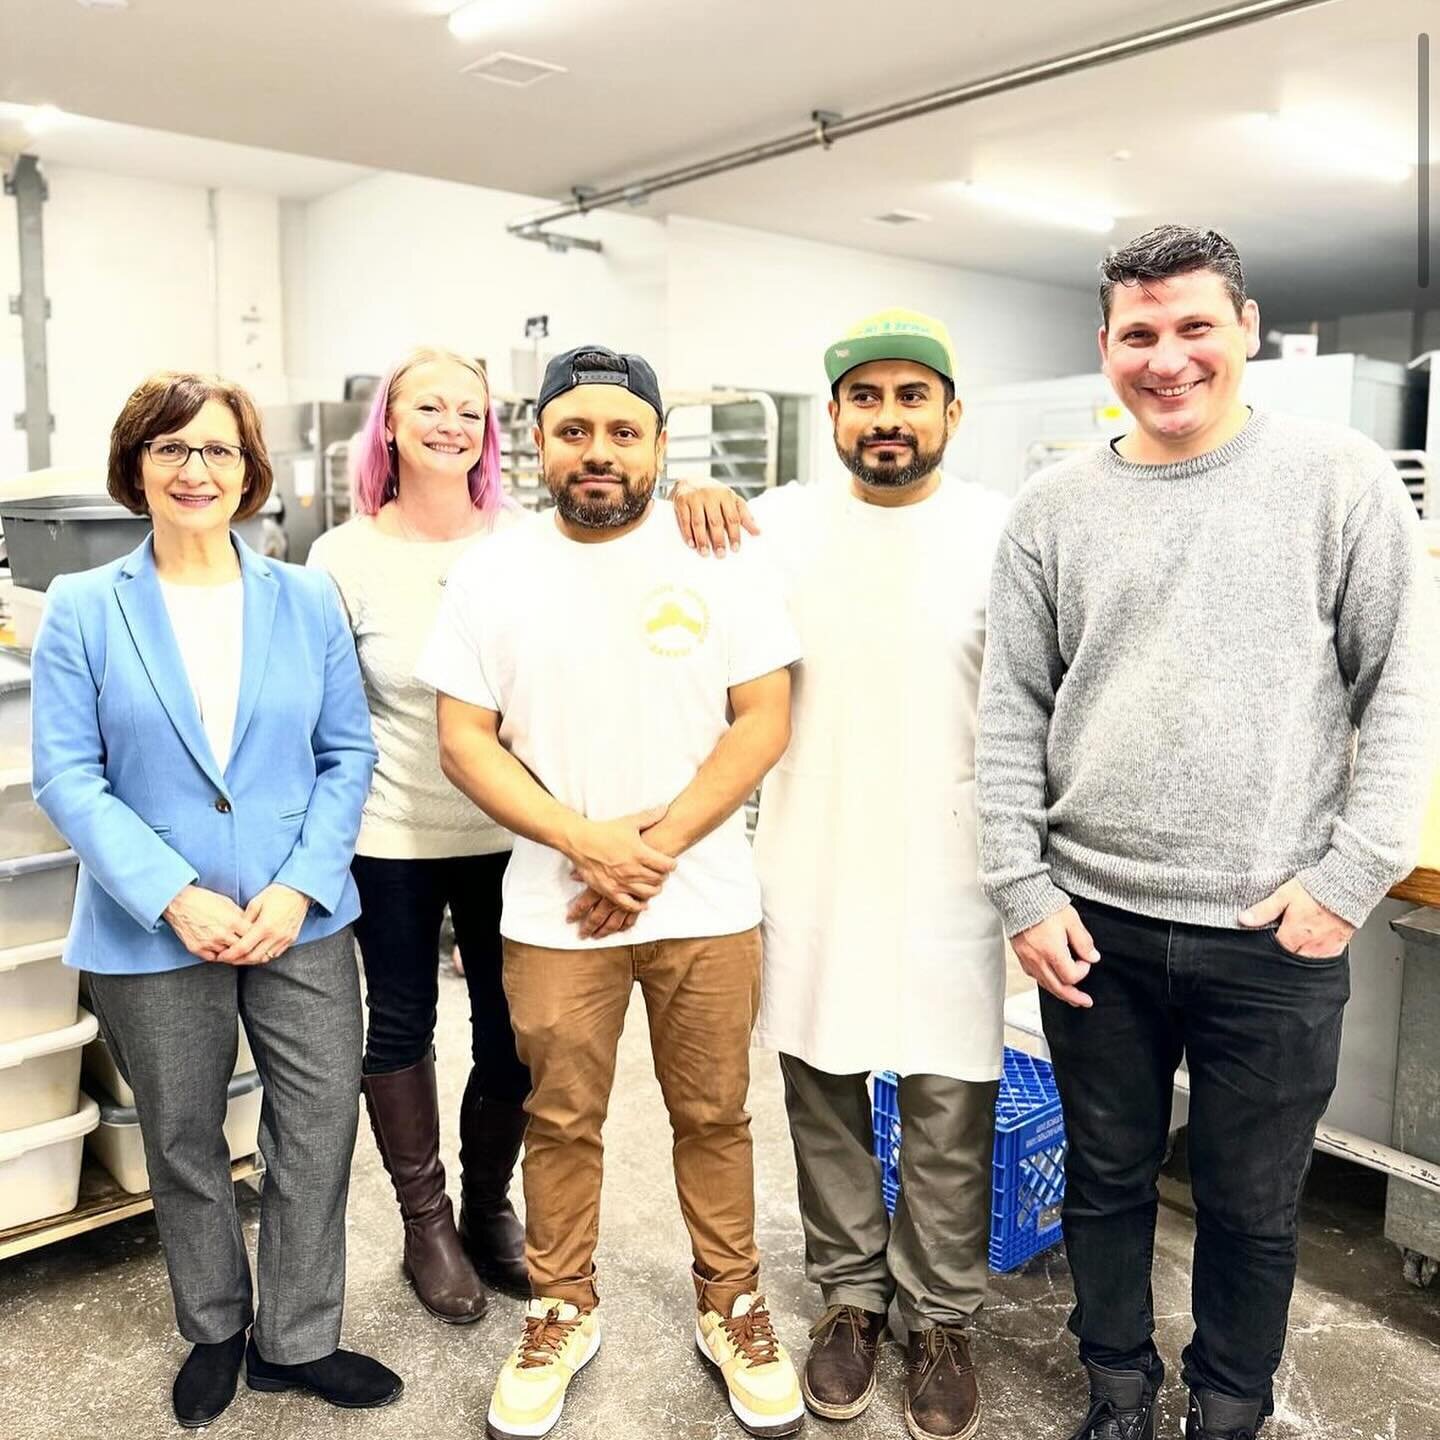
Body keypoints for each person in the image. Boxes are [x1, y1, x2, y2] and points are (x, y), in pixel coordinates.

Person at [975, 225, 1439, 1440]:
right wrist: (1021, 889)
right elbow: (1009, 710)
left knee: (1251, 1203)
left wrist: (1349, 879)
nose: (1168, 357)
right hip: (1093, 927)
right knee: (1110, 1179)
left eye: (1194, 327)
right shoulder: (1052, 508)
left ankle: (1228, 1405)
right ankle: (1116, 1387)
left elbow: (1403, 690)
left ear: (1245, 331)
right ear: (1106, 347)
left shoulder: (1339, 480)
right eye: (1141, 332)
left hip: (1272, 932)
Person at [415, 344, 806, 1440]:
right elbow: (464, 740)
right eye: (574, 430)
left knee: (714, 1117)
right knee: (562, 1118)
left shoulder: (717, 552)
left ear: (657, 445)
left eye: (622, 432)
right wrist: (585, 841)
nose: (598, 451)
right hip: (553, 908)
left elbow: (763, 717)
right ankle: (561, 1306)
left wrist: (655, 847)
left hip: (707, 902)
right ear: (537, 441)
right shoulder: (493, 572)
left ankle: (730, 1307)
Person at [30, 372, 400, 1427]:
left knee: (318, 1125)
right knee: (184, 1134)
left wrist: (298, 886)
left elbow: (346, 752)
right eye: (172, 450)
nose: (197, 470)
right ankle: (215, 1327)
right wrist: (171, 894)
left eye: (219, 451)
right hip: (155, 929)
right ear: (136, 468)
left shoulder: (305, 598)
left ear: (251, 473)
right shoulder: (84, 609)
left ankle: (296, 1337)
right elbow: (69, 775)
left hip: (302, 920)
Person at [671, 309, 1009, 1440]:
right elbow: (662, 595)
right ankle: (851, 1301)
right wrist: (690, 499)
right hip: (812, 848)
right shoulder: (775, 524)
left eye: (913, 397)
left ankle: (942, 1315)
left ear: (951, 413)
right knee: (821, 1088)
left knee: (948, 1101)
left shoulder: (1004, 533)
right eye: (866, 399)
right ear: (834, 417)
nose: (889, 419)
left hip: (955, 860)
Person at [308, 346, 531, 1322]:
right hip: (390, 831)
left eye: (469, 411)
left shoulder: (527, 545)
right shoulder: (341, 557)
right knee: (402, 1021)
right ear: (388, 426)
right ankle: (425, 1225)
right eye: (428, 407)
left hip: (514, 829)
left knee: (513, 1032)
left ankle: (488, 1209)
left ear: (489, 431)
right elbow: (323, 716)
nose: (451, 423)